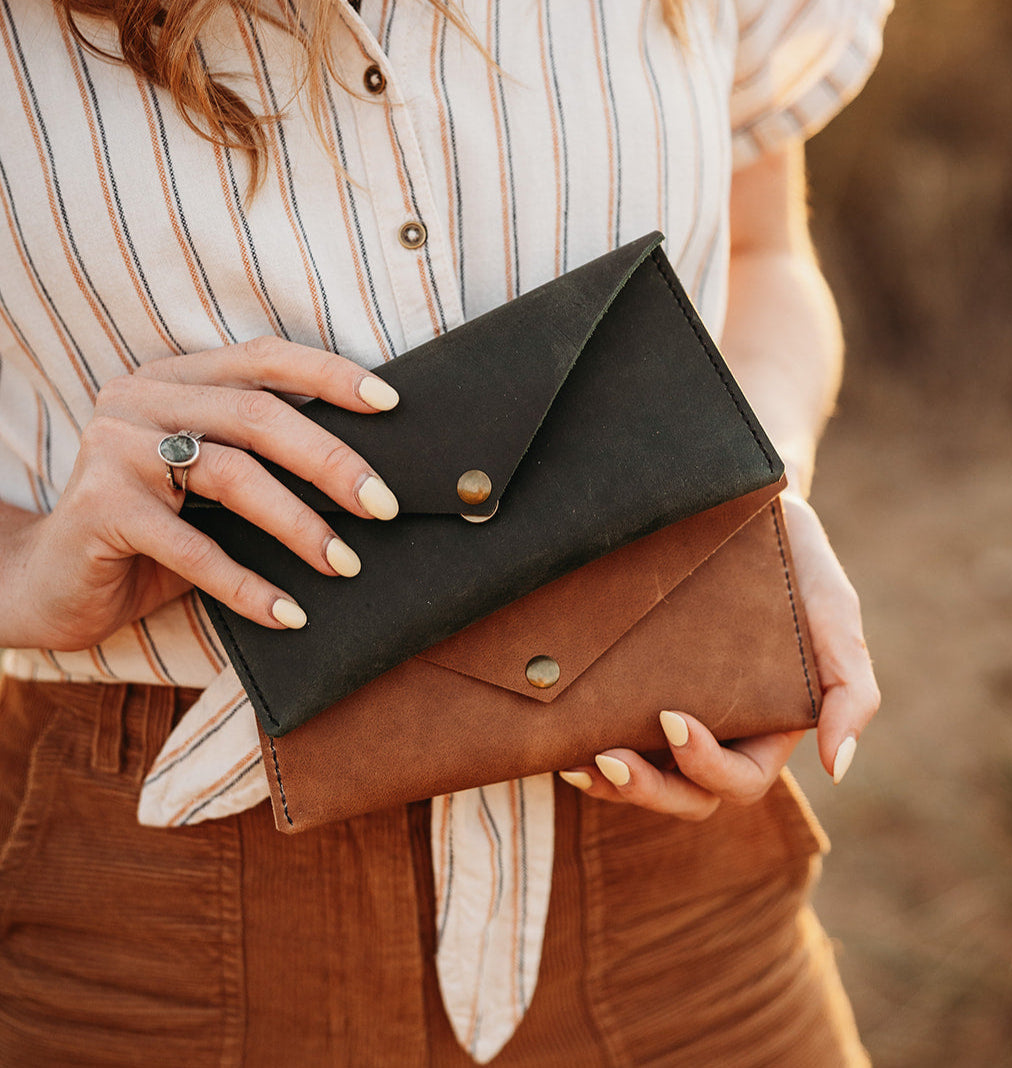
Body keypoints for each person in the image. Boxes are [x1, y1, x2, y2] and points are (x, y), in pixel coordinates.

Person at [0, 0, 888, 1063]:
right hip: (154, 904)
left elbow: (760, 252)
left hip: (671, 871)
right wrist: (20, 562)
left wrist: (757, 492)